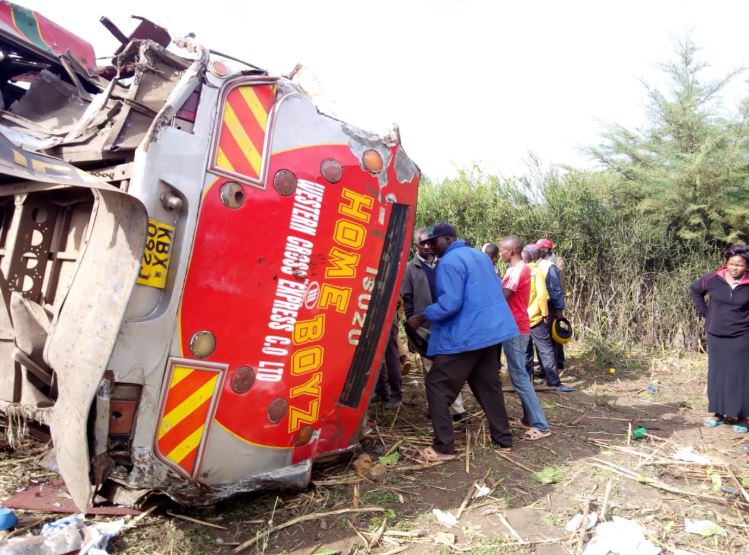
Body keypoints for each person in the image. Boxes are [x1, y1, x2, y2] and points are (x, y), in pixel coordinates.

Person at [407, 223, 517, 461]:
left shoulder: (448, 262)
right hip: (491, 333)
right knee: (488, 386)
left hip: (466, 335)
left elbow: (450, 304)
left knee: (437, 384)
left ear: (448, 239)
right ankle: (504, 439)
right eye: (426, 242)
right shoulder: (479, 256)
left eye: (434, 241)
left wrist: (423, 316)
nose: (431, 246)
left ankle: (443, 447)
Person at [401, 227, 467, 421]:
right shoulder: (410, 268)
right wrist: (412, 335)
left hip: (448, 324)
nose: (427, 247)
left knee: (449, 368)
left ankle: (455, 409)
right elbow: (408, 300)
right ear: (416, 244)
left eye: (430, 242)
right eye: (422, 243)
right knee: (430, 369)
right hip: (424, 328)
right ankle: (440, 407)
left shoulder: (445, 262)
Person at [691, 244, 749, 432]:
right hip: (716, 334)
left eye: (739, 265)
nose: (734, 268)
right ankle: (718, 413)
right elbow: (695, 290)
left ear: (746, 266)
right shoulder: (713, 279)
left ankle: (741, 417)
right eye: (731, 264)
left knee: (741, 375)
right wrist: (706, 314)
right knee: (717, 373)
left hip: (742, 335)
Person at [499, 236, 552, 440]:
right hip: (514, 326)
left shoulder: (519, 269)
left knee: (520, 376)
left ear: (511, 251)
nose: (500, 253)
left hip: (515, 328)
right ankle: (529, 419)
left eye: (502, 250)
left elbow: (504, 295)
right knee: (519, 374)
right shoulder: (516, 269)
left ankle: (541, 425)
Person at [522, 245, 575, 392]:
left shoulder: (535, 268)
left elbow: (554, 291)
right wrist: (547, 313)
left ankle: (530, 381)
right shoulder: (537, 269)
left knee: (530, 350)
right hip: (538, 314)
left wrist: (557, 310)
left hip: (530, 315)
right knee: (545, 348)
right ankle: (552, 381)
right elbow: (542, 295)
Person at [536, 238, 566, 371]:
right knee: (551, 334)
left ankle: (555, 365)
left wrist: (559, 307)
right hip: (548, 302)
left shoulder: (556, 263)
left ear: (545, 249)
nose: (537, 250)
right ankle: (553, 365)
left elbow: (557, 287)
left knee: (553, 335)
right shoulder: (542, 263)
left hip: (552, 301)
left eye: (539, 248)